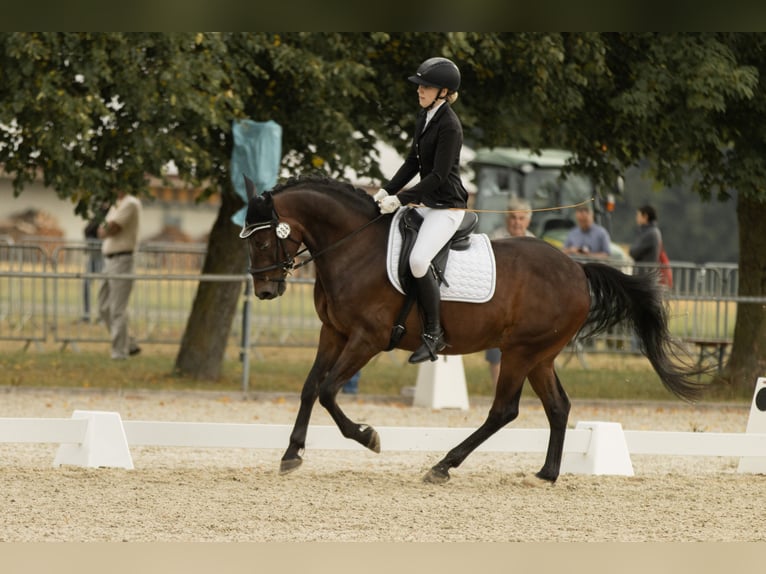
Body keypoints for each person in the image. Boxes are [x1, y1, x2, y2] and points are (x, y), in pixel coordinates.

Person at [374, 56, 469, 364]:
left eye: (426, 87)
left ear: (443, 92)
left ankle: (433, 333)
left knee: (417, 260)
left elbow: (438, 176)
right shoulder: (425, 116)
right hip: (427, 204)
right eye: (420, 86)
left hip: (447, 208)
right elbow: (413, 163)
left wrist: (401, 199)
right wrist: (387, 189)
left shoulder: (450, 126)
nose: (420, 91)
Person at [486, 197, 534, 387]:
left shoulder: (533, 243)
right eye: (513, 217)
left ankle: (513, 390)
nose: (517, 222)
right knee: (495, 348)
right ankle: (498, 391)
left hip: (524, 304)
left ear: (527, 220)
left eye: (521, 218)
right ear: (507, 219)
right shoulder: (495, 239)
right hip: (499, 301)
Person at [97, 190, 142, 360]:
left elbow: (111, 228)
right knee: (103, 307)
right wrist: (104, 229)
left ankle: (119, 352)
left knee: (117, 309)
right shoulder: (117, 204)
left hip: (122, 259)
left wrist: (104, 229)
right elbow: (101, 229)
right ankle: (128, 343)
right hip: (109, 260)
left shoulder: (130, 203)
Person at [81, 203, 108, 322]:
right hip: (93, 256)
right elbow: (87, 230)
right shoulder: (98, 214)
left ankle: (102, 316)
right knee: (87, 284)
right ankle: (87, 314)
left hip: (103, 256)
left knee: (103, 287)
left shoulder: (111, 214)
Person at [629, 204, 662, 274]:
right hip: (646, 275)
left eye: (638, 216)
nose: (636, 218)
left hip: (644, 275)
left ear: (645, 216)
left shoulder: (650, 233)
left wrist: (631, 250)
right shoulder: (652, 231)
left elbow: (634, 252)